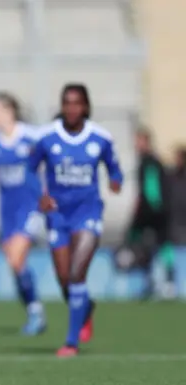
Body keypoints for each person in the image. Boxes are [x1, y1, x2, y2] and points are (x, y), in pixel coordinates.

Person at [30, 83, 123, 358]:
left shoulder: (101, 138)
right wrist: (40, 196)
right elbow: (28, 170)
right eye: (67, 103)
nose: (71, 108)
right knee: (63, 279)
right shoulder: (47, 137)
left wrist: (116, 181)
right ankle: (86, 308)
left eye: (77, 103)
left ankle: (71, 342)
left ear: (85, 106)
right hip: (58, 215)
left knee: (76, 274)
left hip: (88, 212)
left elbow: (115, 169)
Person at [0, 92, 46, 335]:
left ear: (8, 111)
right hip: (7, 210)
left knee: (17, 257)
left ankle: (36, 312)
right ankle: (33, 310)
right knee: (14, 263)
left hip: (30, 207)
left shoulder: (30, 136)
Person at [123, 128, 176, 300]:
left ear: (146, 142)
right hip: (156, 211)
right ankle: (155, 282)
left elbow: (151, 190)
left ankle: (165, 283)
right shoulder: (149, 161)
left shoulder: (149, 162)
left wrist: (148, 210)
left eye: (139, 141)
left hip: (153, 212)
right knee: (155, 247)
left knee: (156, 245)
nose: (136, 145)